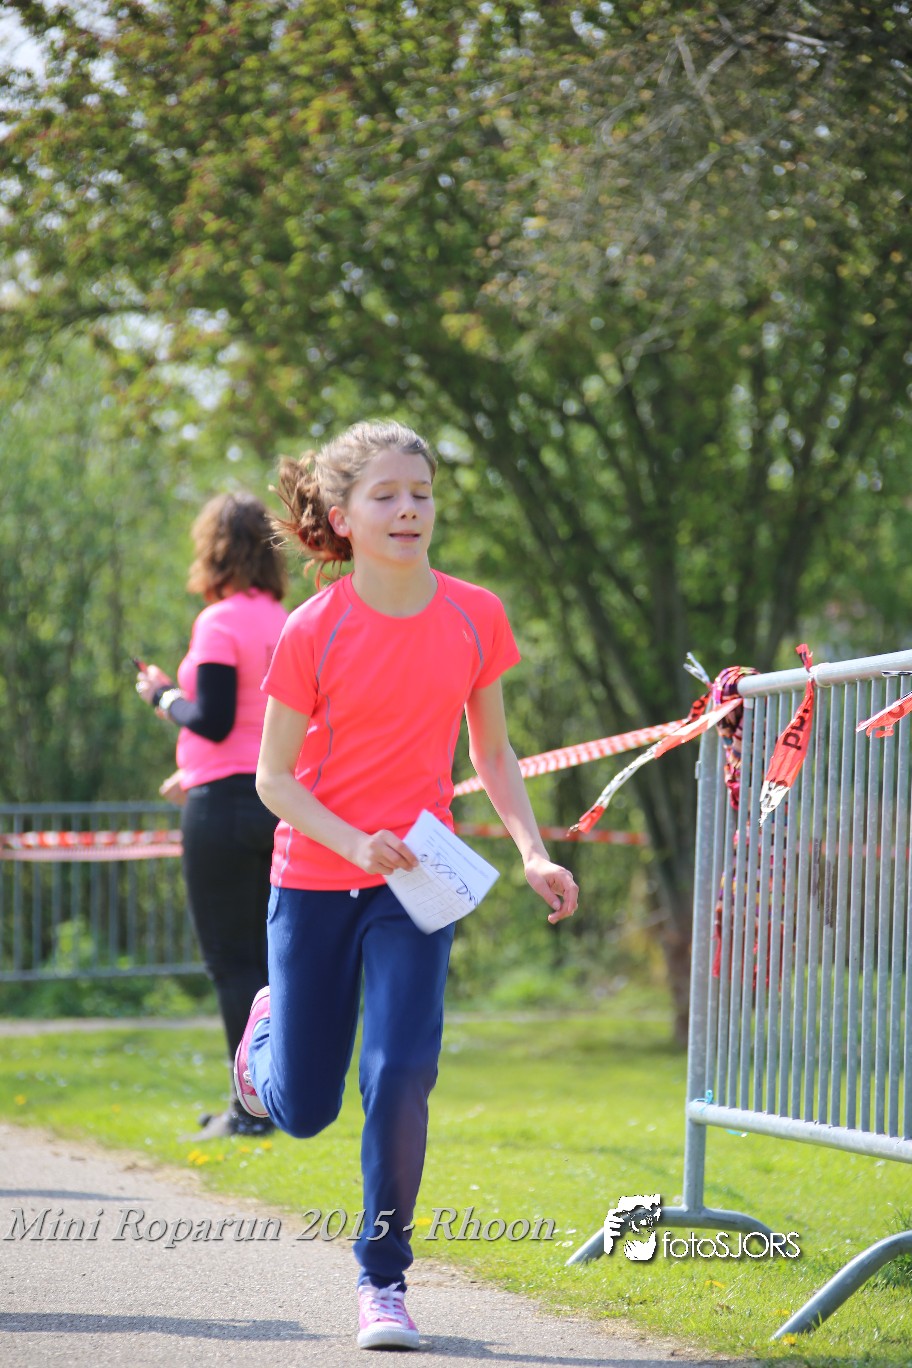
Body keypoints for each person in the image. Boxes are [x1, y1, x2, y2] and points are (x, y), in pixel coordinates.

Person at [232, 420, 579, 1352]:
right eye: (385, 495)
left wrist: (533, 851)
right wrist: (354, 842)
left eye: (420, 493)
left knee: (401, 1071)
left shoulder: (475, 614)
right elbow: (273, 780)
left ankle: (382, 1281)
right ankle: (262, 1047)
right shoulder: (312, 629)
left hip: (417, 885)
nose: (408, 509)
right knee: (306, 1109)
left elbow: (492, 753)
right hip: (315, 877)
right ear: (342, 517)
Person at [135, 492, 288, 1138]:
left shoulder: (219, 622)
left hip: (223, 809)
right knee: (271, 962)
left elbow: (215, 718)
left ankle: (248, 1113)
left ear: (215, 549)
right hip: (281, 800)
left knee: (232, 964)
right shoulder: (286, 619)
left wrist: (162, 695)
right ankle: (273, 1102)